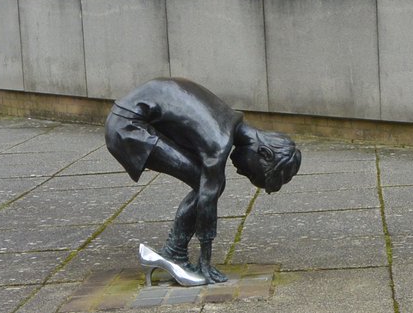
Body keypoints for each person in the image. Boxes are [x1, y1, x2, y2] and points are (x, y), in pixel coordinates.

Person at [106, 78, 301, 285]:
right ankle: (174, 253)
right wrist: (205, 260)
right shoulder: (218, 141)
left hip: (133, 118)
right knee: (206, 184)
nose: (241, 172)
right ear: (264, 153)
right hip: (128, 127)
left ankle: (174, 251)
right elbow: (208, 198)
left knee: (210, 182)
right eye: (252, 173)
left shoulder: (228, 120)